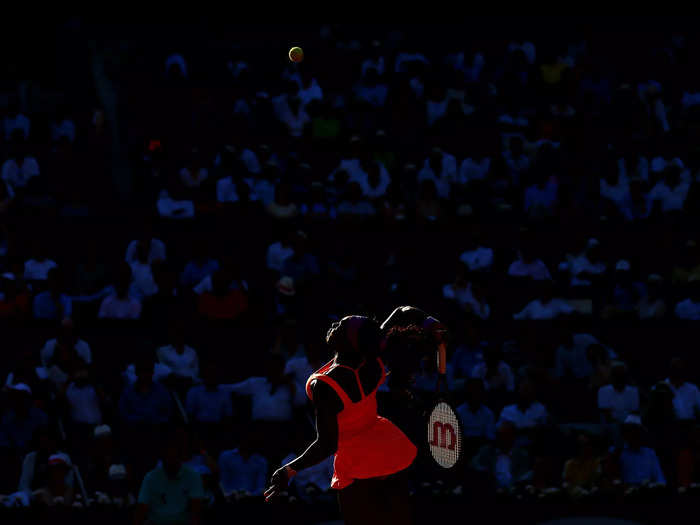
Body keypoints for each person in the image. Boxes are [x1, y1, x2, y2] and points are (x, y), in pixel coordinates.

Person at [264, 316, 418, 525]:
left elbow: (327, 444)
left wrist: (288, 470)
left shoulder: (326, 385)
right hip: (390, 451)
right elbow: (402, 311)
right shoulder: (372, 360)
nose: (334, 326)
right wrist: (428, 323)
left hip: (357, 464)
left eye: (341, 326)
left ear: (349, 342)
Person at [134, 428, 204, 525]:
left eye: (174, 455)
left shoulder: (193, 476)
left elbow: (196, 512)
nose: (170, 459)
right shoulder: (151, 477)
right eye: (167, 455)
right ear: (162, 457)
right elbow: (141, 509)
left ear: (180, 456)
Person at [563, 433, 602, 497]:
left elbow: (596, 480)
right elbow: (566, 483)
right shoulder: (570, 464)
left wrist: (593, 488)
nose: (586, 448)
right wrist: (578, 490)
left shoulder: (595, 462)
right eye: (582, 445)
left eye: (587, 445)